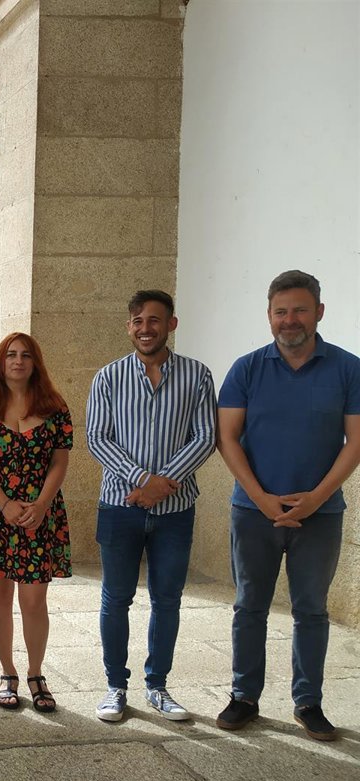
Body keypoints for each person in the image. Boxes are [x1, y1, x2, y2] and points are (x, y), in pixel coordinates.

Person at [216, 270, 360, 741]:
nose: (290, 319)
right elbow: (227, 437)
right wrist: (260, 497)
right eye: (281, 311)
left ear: (319, 312)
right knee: (249, 606)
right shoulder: (246, 369)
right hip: (253, 512)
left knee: (312, 610)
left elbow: (356, 441)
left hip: (321, 515)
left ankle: (309, 702)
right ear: (269, 316)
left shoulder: (348, 369)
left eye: (300, 310)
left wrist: (317, 497)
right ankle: (244, 696)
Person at [86, 290, 218, 723]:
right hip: (119, 506)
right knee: (115, 598)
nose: (146, 329)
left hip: (175, 511)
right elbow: (97, 438)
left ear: (171, 325)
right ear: (129, 327)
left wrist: (162, 485)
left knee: (167, 599)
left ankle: (158, 686)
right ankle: (115, 686)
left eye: (155, 320)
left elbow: (205, 436)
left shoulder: (197, 376)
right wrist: (144, 480)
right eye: (138, 321)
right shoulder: (108, 377)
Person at [0, 333, 72, 713]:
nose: (18, 361)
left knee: (34, 600)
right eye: (10, 355)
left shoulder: (55, 407)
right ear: (0, 362)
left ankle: (36, 673)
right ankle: (8, 672)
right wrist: (4, 504)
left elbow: (60, 462)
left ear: (36, 362)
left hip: (40, 515)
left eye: (25, 355)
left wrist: (42, 504)